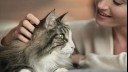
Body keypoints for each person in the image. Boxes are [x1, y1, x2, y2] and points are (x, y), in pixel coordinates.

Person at [0, 0, 127, 70]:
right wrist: (8, 38)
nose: (100, 4)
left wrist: (84, 60)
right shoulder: (88, 30)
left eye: (117, 1)